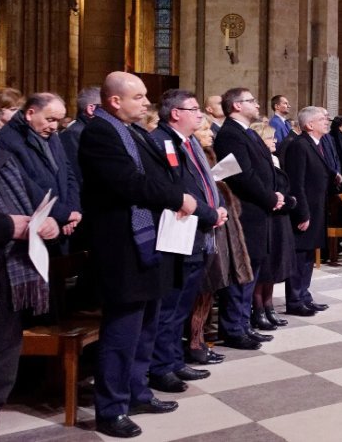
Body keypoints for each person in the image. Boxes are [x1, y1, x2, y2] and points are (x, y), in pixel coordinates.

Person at [79, 72, 195, 438]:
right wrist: (177, 197)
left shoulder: (135, 133)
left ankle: (137, 392)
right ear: (116, 101)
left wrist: (177, 192)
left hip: (146, 240)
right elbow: (128, 182)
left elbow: (161, 176)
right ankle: (110, 408)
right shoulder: (100, 132)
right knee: (123, 330)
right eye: (139, 97)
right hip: (122, 246)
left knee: (146, 325)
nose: (147, 102)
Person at [0, 94, 59, 441]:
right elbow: (3, 222)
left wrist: (48, 223)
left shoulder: (1, 158)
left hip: (6, 291)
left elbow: (33, 202)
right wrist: (5, 227)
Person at [147, 89, 228, 394]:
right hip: (179, 232)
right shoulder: (162, 142)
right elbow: (177, 188)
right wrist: (209, 213)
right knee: (170, 305)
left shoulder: (189, 141)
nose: (200, 114)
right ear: (175, 113)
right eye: (193, 109)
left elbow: (203, 182)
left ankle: (173, 359)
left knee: (182, 304)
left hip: (199, 231)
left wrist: (216, 208)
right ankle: (161, 367)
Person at [213, 88, 287, 350]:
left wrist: (275, 194)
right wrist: (270, 197)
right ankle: (233, 328)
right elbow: (241, 176)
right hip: (247, 211)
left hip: (259, 210)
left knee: (252, 270)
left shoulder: (248, 132)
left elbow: (265, 167)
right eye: (250, 101)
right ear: (235, 106)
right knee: (241, 272)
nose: (256, 104)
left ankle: (244, 324)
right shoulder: (229, 135)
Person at [188, 117, 250, 365]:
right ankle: (194, 342)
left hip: (221, 225)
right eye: (204, 129)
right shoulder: (193, 153)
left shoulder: (207, 153)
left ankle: (200, 339)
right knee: (201, 290)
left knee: (209, 290)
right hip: (204, 228)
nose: (210, 133)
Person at [0, 93, 82, 239]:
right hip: (35, 225)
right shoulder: (8, 139)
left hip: (61, 221)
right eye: (50, 120)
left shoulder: (51, 136)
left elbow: (68, 172)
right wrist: (63, 214)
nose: (54, 126)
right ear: (30, 113)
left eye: (58, 121)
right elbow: (25, 185)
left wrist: (73, 210)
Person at [283, 106, 334, 315]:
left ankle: (304, 295)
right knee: (300, 256)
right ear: (309, 124)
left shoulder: (316, 144)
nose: (327, 121)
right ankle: (295, 300)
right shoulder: (300, 146)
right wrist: (302, 213)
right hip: (306, 210)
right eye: (322, 119)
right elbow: (297, 183)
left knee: (309, 255)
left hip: (317, 208)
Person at [247, 123, 296, 331]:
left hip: (280, 216)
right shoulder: (258, 161)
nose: (275, 141)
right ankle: (258, 308)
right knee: (264, 267)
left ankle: (269, 305)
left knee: (275, 264)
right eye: (270, 138)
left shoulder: (273, 159)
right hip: (267, 214)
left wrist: (287, 200)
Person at [60, 85, 100, 185]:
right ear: (92, 109)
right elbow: (76, 174)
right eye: (106, 109)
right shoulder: (74, 134)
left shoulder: (91, 131)